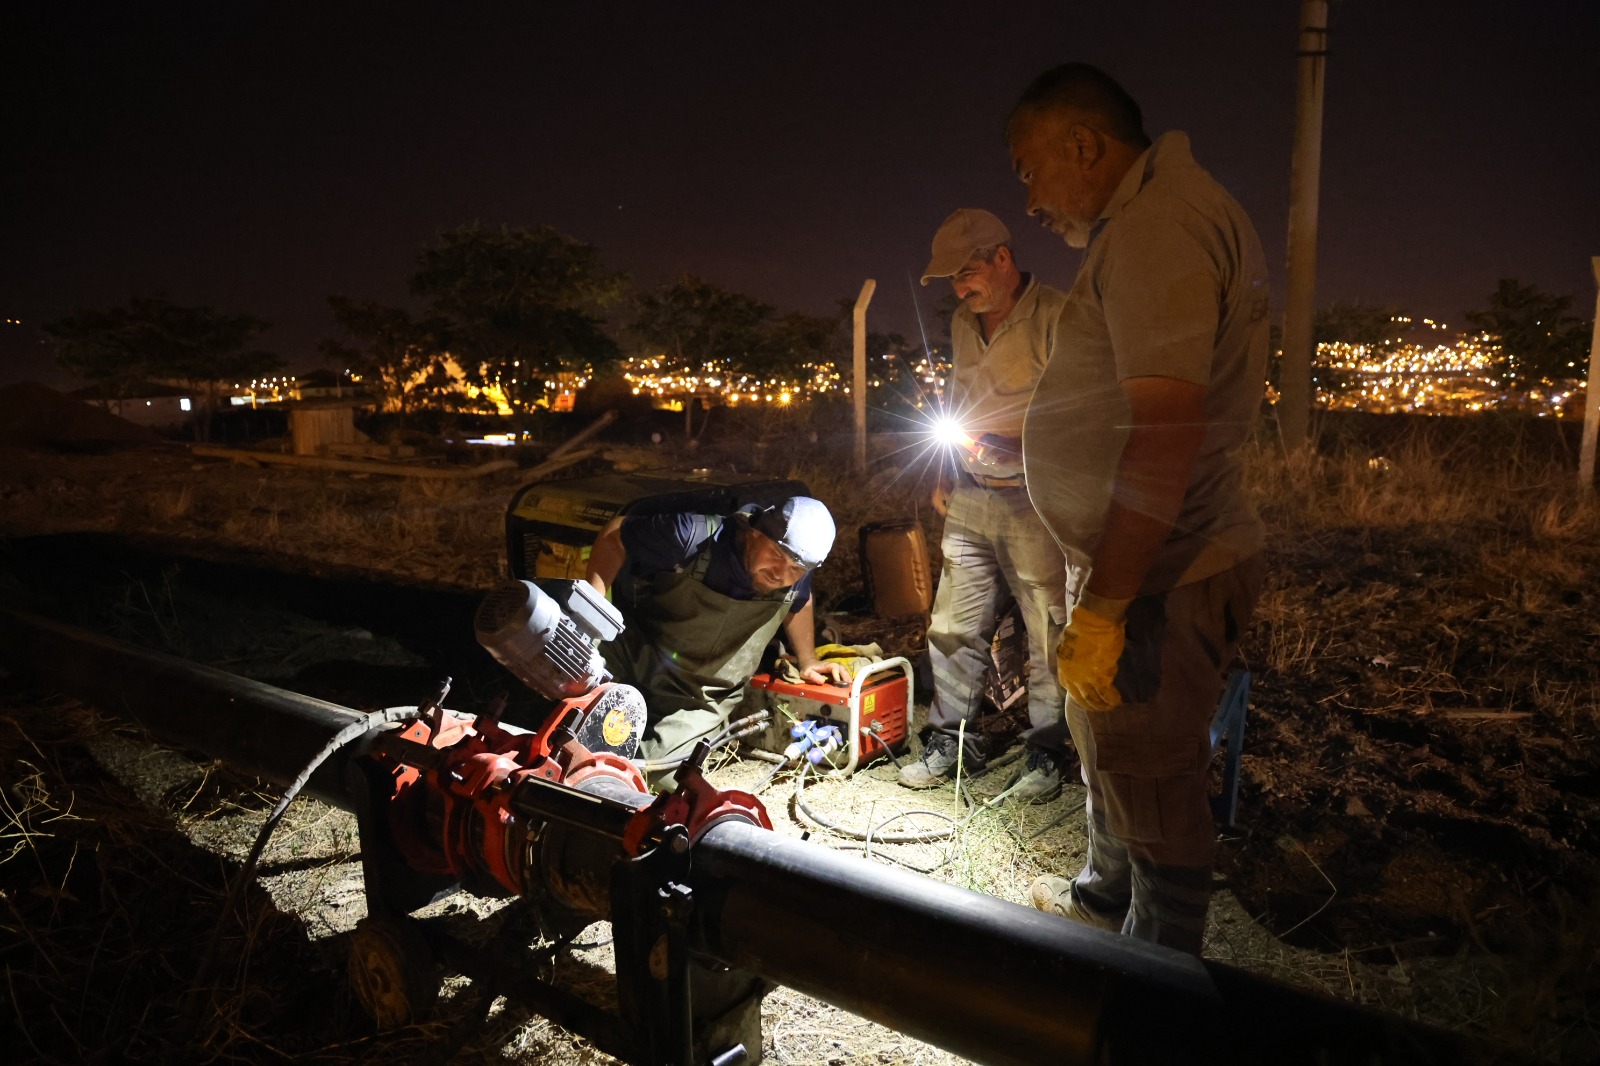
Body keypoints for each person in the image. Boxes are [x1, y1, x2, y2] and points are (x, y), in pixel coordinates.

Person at [1007, 63, 1269, 954]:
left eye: (1030, 169)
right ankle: (1098, 906)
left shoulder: (1160, 226)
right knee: (1113, 753)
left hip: (1160, 571)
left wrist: (1110, 605)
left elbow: (1164, 430)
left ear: (1085, 145)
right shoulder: (1149, 221)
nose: (1031, 198)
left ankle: (1148, 1000)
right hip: (1137, 561)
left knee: (1154, 791)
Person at [899, 208, 1073, 804]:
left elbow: (1083, 411)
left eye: (968, 273)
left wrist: (1019, 444)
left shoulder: (1057, 315)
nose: (961, 288)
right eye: (952, 280)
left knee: (1047, 631)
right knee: (952, 623)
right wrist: (946, 470)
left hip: (1037, 500)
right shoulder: (961, 322)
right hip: (972, 494)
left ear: (1003, 258)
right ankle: (952, 740)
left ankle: (1048, 750)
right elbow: (958, 400)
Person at [584, 495, 849, 769]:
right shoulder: (694, 536)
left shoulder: (798, 566)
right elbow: (616, 533)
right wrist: (591, 612)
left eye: (796, 568)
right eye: (776, 556)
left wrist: (807, 659)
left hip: (698, 697)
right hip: (638, 654)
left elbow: (800, 597)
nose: (781, 574)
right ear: (754, 534)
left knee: (654, 775)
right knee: (558, 694)